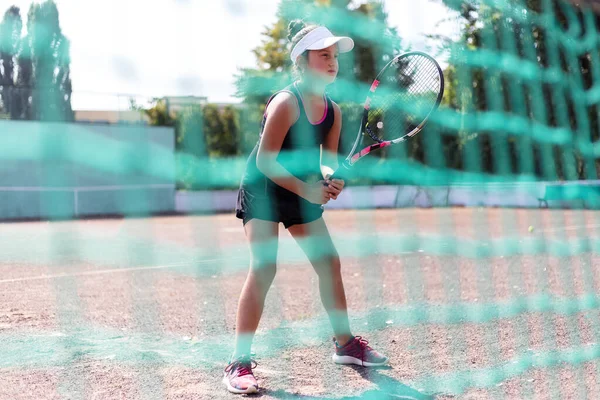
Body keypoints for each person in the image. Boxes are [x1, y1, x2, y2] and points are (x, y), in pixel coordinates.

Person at [223, 20, 389, 395]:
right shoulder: (286, 102)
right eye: (323, 56)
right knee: (264, 267)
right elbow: (266, 161)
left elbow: (327, 160)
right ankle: (239, 362)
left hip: (299, 189)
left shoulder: (333, 110)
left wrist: (332, 180)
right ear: (302, 61)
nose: (332, 62)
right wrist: (306, 189)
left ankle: (345, 345)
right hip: (263, 186)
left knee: (328, 262)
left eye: (334, 56)